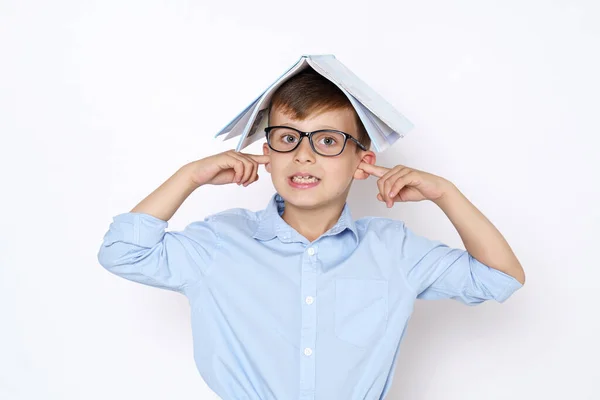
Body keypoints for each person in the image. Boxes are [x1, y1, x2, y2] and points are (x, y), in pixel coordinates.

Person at [97, 69, 525, 399]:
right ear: (268, 155)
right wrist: (188, 177)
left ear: (363, 162)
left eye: (327, 141)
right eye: (288, 138)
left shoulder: (394, 249)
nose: (304, 154)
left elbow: (500, 278)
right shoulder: (219, 243)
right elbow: (122, 253)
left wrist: (446, 194)